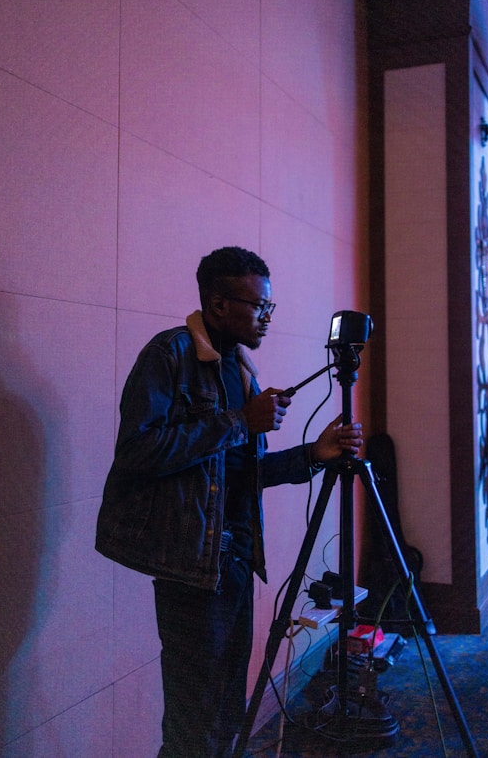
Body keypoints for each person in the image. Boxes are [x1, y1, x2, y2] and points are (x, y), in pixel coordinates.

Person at [95, 246, 364, 758]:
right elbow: (135, 452)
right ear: (219, 304)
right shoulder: (169, 355)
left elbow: (242, 475)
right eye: (258, 305)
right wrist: (241, 422)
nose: (266, 317)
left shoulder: (241, 371)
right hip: (191, 568)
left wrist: (314, 453)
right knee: (192, 723)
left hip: (236, 564)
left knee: (225, 715)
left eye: (270, 307)